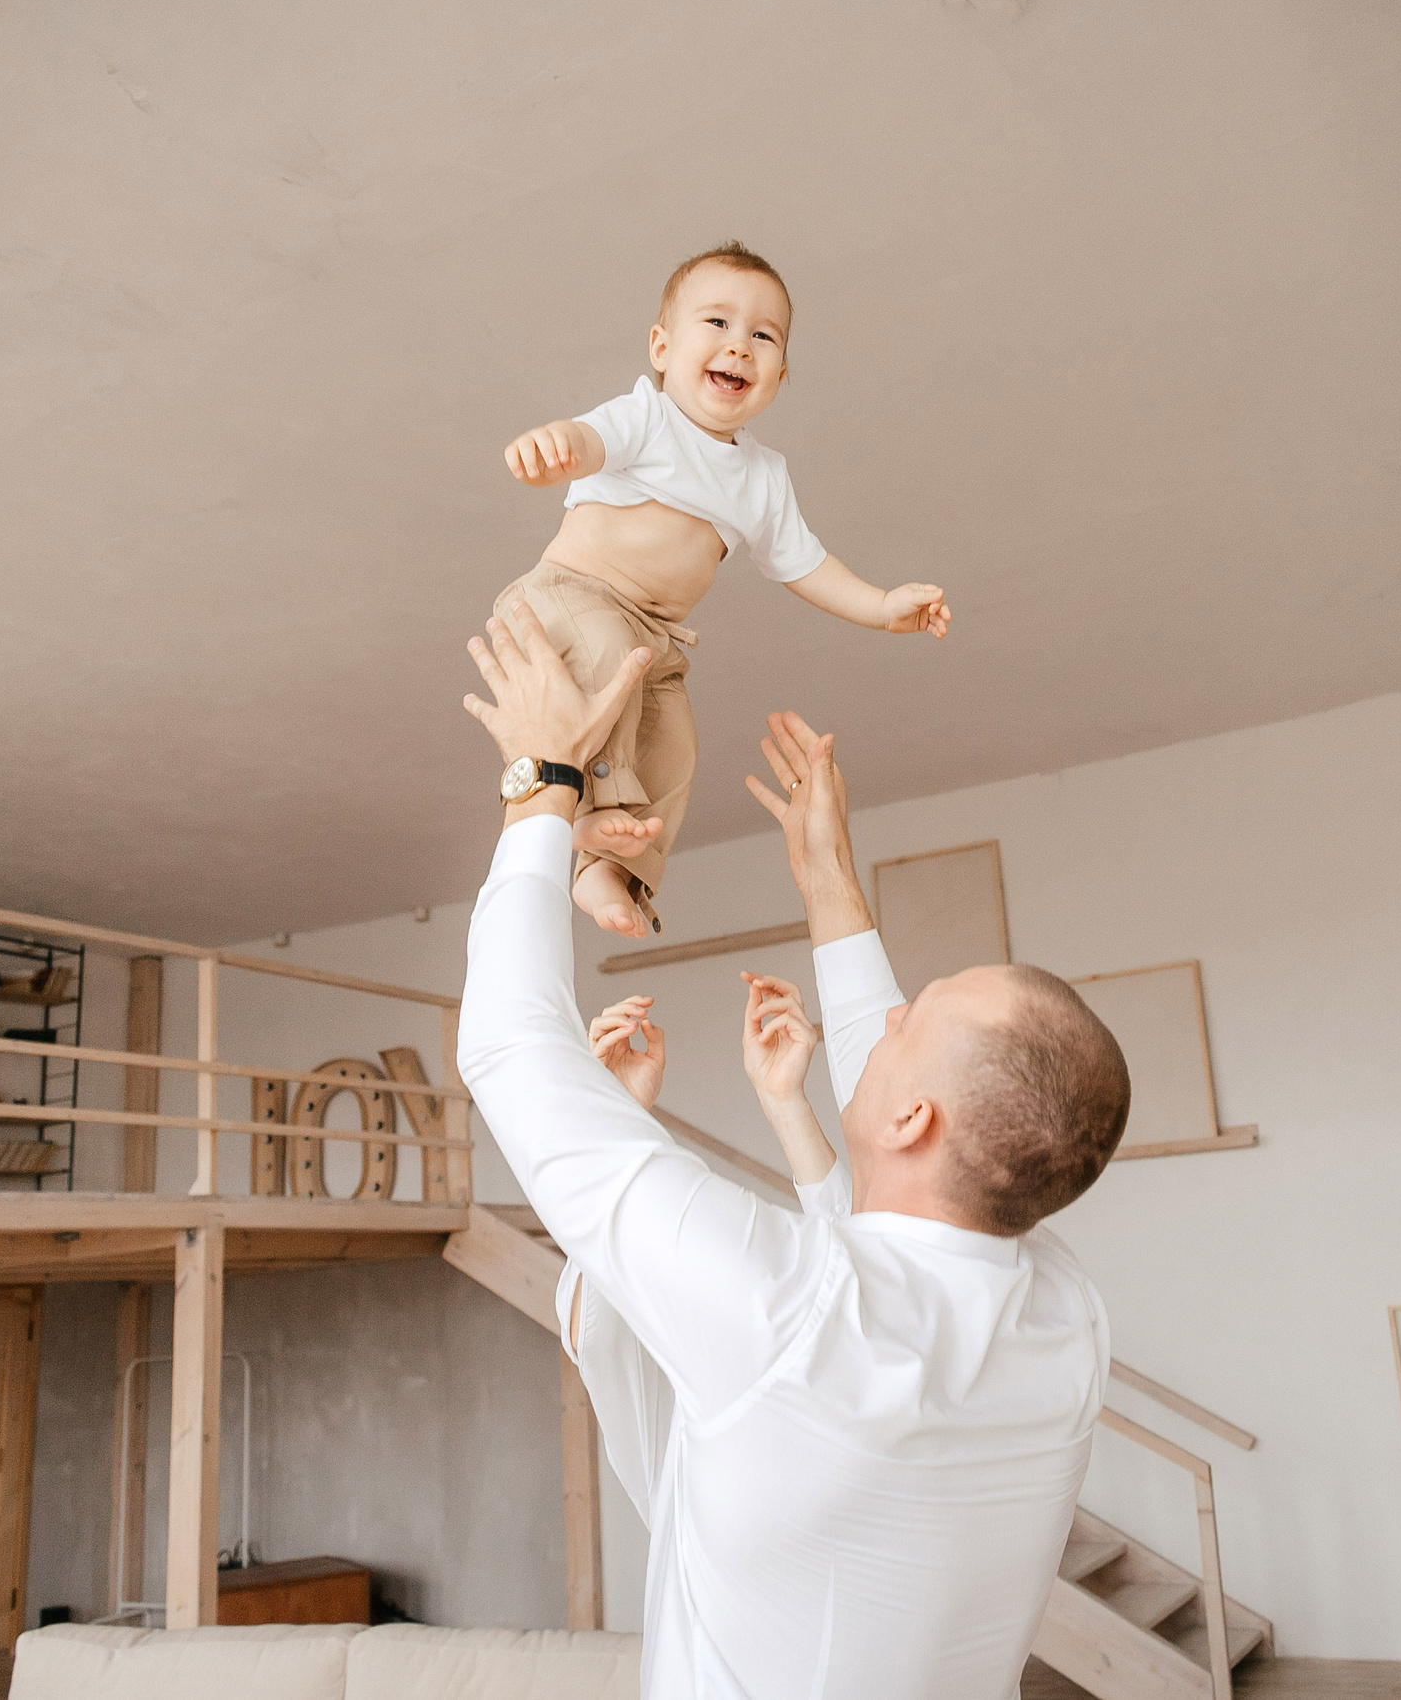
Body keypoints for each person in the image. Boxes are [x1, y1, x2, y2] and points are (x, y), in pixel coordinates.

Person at [457, 603, 1131, 1698]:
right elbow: (924, 1104)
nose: (886, 1013)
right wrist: (825, 879)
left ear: (913, 1121)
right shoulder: (1059, 1317)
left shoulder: (790, 1307)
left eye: (913, 1014)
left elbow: (509, 1043)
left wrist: (542, 781)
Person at [492, 240, 952, 940]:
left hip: (658, 636)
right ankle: (594, 811)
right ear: (661, 347)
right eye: (717, 323)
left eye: (763, 336)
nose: (739, 345)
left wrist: (881, 606)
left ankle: (612, 868)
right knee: (611, 660)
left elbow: (806, 564)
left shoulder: (763, 478)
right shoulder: (646, 417)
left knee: (676, 743)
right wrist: (557, 446)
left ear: (780, 375)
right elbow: (589, 439)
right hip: (572, 600)